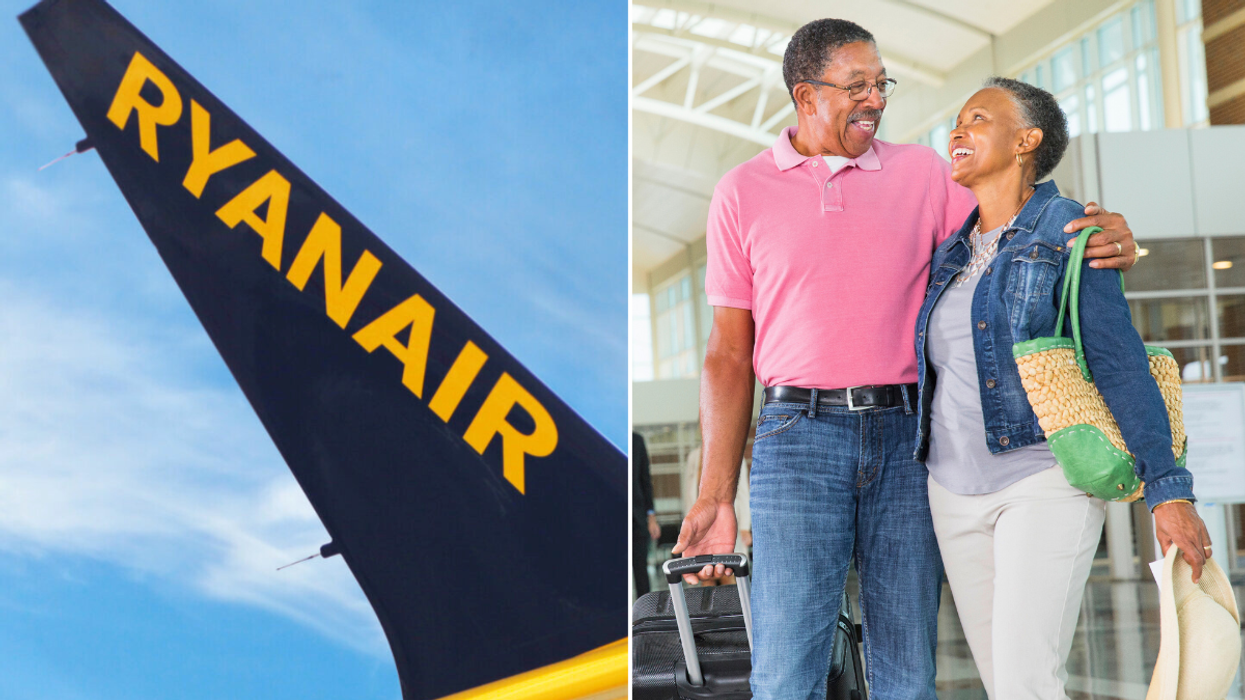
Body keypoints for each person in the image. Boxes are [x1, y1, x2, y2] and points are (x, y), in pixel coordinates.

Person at [670, 18, 1139, 700]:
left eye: (880, 82)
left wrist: (1105, 229)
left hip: (908, 440)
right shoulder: (742, 192)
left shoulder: (920, 173)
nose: (875, 98)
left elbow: (1014, 216)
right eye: (855, 85)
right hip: (795, 441)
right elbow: (726, 354)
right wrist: (715, 496)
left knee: (906, 668)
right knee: (785, 669)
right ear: (805, 96)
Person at [913, 77, 1210, 700]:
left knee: (1025, 680)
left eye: (978, 118)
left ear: (1027, 140)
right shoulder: (949, 253)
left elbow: (1118, 360)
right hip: (951, 489)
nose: (958, 131)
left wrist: (1168, 490)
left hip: (1042, 479)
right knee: (1004, 683)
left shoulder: (1070, 231)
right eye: (957, 121)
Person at [632, 431, 660, 596]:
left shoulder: (637, 441)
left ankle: (645, 616)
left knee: (640, 569)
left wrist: (651, 518)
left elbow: (645, 481)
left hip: (637, 517)